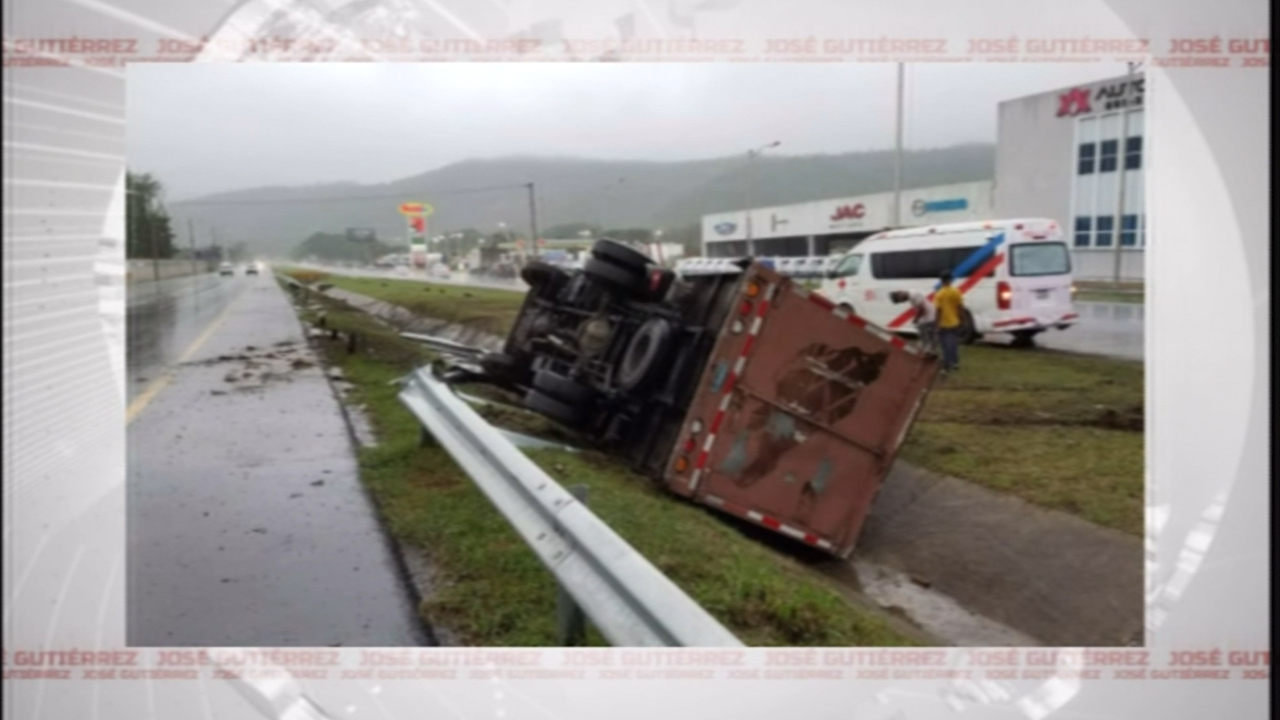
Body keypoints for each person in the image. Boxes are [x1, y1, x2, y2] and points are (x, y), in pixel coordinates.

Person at [933, 270, 965, 373]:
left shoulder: (939, 294)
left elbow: (939, 310)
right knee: (953, 343)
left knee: (945, 346)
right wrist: (962, 320)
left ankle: (946, 366)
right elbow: (960, 307)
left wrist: (936, 324)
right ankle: (955, 363)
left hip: (943, 323)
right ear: (951, 280)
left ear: (941, 281)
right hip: (955, 322)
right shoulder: (956, 292)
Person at [890, 290, 938, 355]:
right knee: (924, 334)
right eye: (900, 301)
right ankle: (929, 350)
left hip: (930, 317)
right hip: (926, 318)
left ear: (900, 293)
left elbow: (922, 309)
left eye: (900, 300)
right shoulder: (911, 297)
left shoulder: (914, 295)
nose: (902, 301)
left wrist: (916, 319)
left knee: (930, 335)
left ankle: (931, 351)